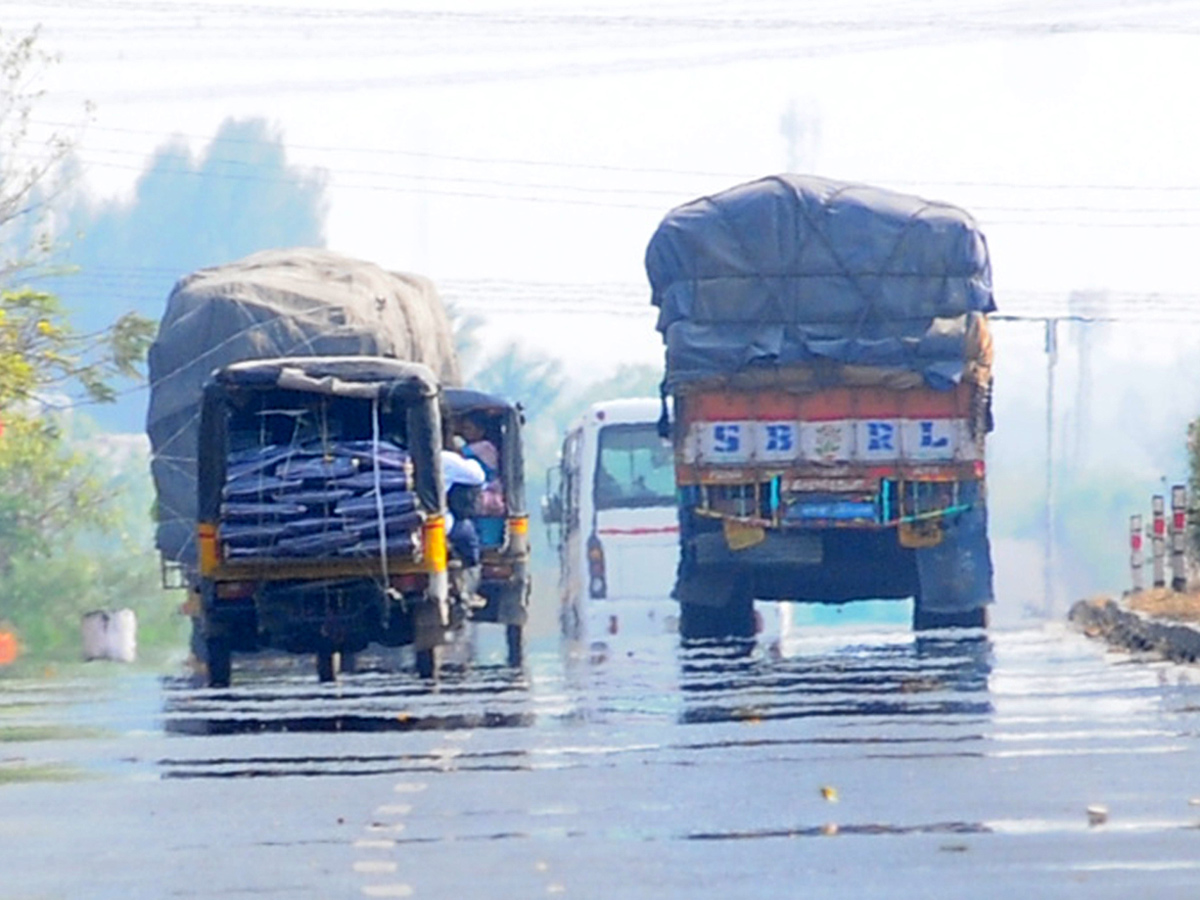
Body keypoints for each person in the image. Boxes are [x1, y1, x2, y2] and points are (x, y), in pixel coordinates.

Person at [457, 412, 505, 516]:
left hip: (488, 493)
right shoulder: (473, 447)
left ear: (480, 431)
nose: (464, 432)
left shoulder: (484, 447)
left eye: (468, 428)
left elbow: (456, 455)